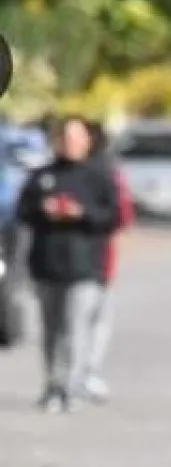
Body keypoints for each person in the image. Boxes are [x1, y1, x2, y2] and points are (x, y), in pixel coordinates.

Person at [16, 115, 119, 413]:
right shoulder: (42, 176)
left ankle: (71, 387)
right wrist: (44, 210)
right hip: (47, 265)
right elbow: (23, 212)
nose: (70, 144)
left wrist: (81, 213)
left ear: (87, 141)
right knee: (51, 330)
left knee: (76, 329)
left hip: (85, 266)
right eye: (66, 138)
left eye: (76, 138)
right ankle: (53, 385)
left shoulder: (99, 176)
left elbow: (112, 217)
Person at [82, 120, 135, 403]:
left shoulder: (107, 173)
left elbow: (122, 215)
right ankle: (74, 375)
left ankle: (86, 373)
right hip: (62, 261)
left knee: (94, 319)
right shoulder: (53, 171)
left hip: (98, 258)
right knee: (80, 322)